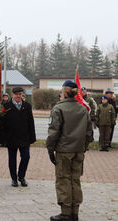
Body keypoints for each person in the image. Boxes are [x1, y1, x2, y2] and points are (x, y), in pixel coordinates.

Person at [46, 80, 93, 221]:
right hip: (78, 150)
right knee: (75, 180)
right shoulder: (83, 109)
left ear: (65, 92)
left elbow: (53, 133)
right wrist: (83, 147)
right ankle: (75, 213)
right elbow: (89, 133)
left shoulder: (58, 109)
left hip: (64, 151)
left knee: (63, 180)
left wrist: (50, 150)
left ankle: (66, 213)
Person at [0, 87, 36, 187]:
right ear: (12, 95)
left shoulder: (27, 106)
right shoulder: (6, 106)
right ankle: (14, 179)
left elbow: (31, 122)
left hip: (24, 137)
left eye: (20, 94)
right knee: (12, 159)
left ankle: (21, 176)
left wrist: (32, 137)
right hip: (11, 137)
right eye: (16, 94)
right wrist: (1, 139)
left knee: (26, 157)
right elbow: (1, 124)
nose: (18, 96)